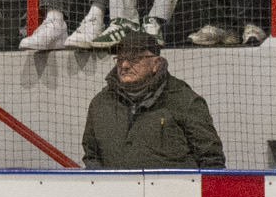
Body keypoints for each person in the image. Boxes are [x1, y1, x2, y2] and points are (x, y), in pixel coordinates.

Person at [81, 23, 226, 168]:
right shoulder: (100, 103)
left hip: (175, 190)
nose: (124, 65)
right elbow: (91, 157)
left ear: (156, 63)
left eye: (134, 58)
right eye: (120, 59)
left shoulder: (185, 100)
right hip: (114, 190)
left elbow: (211, 161)